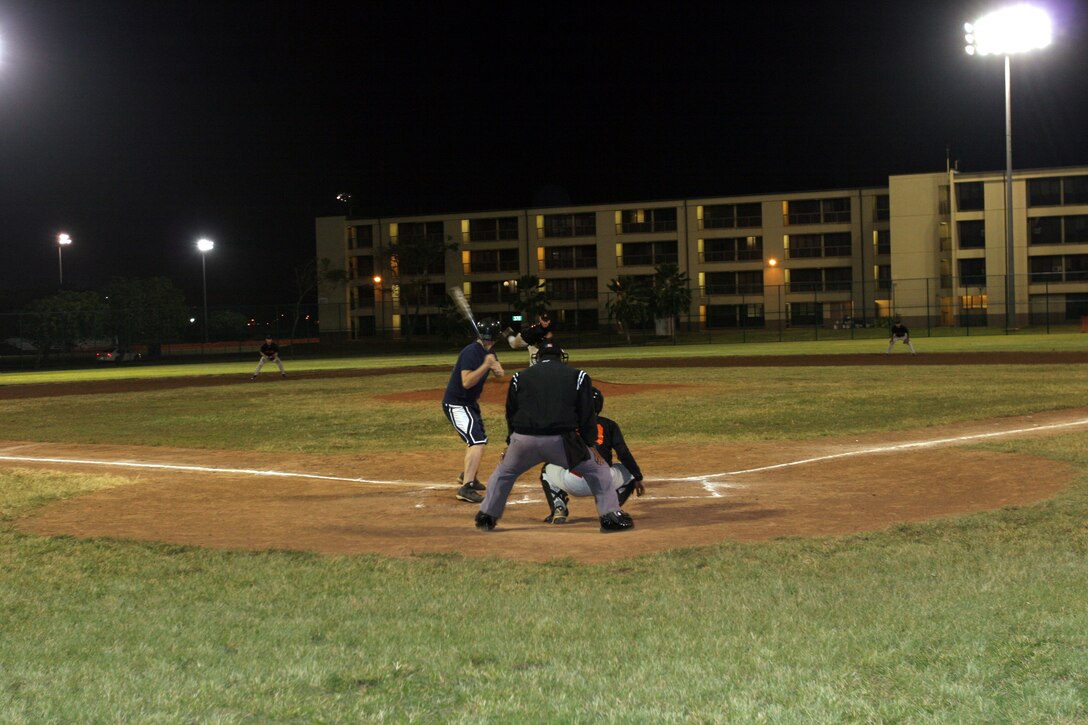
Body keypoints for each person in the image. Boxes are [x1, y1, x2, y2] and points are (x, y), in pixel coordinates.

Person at [474, 340, 634, 533]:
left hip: (523, 440)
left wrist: (510, 442)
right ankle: (610, 517)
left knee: (503, 474)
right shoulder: (578, 376)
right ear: (561, 357)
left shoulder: (519, 377)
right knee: (598, 471)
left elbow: (511, 413)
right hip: (561, 441)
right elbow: (586, 414)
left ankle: (487, 516)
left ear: (538, 357)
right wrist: (590, 445)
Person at [539, 386, 645, 524]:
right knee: (630, 472)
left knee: (547, 469)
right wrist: (638, 476)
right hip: (604, 480)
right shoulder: (609, 425)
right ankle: (610, 508)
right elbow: (623, 454)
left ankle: (559, 508)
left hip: (574, 482)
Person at [442, 318, 505, 503]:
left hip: (469, 404)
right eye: (486, 339)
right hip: (456, 403)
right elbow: (467, 382)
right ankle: (466, 488)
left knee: (480, 439)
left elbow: (499, 373)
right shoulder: (471, 352)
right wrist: (486, 365)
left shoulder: (489, 351)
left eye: (491, 340)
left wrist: (496, 367)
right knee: (476, 440)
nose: (488, 342)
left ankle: (468, 475)